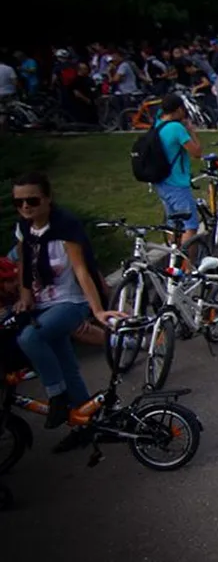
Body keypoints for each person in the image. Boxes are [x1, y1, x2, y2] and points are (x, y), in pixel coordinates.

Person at [11, 173, 125, 431]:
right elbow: (23, 265)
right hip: (41, 303)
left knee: (29, 338)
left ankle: (56, 395)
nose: (26, 207)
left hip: (70, 303)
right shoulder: (24, 227)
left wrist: (97, 310)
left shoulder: (65, 226)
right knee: (66, 365)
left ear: (48, 199)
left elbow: (82, 271)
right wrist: (24, 293)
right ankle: (87, 424)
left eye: (32, 200)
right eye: (19, 202)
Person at [154, 94, 204, 247]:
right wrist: (191, 131)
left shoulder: (158, 125)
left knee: (174, 225)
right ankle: (188, 266)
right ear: (179, 109)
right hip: (177, 183)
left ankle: (173, 261)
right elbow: (197, 152)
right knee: (190, 226)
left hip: (161, 182)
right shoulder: (176, 128)